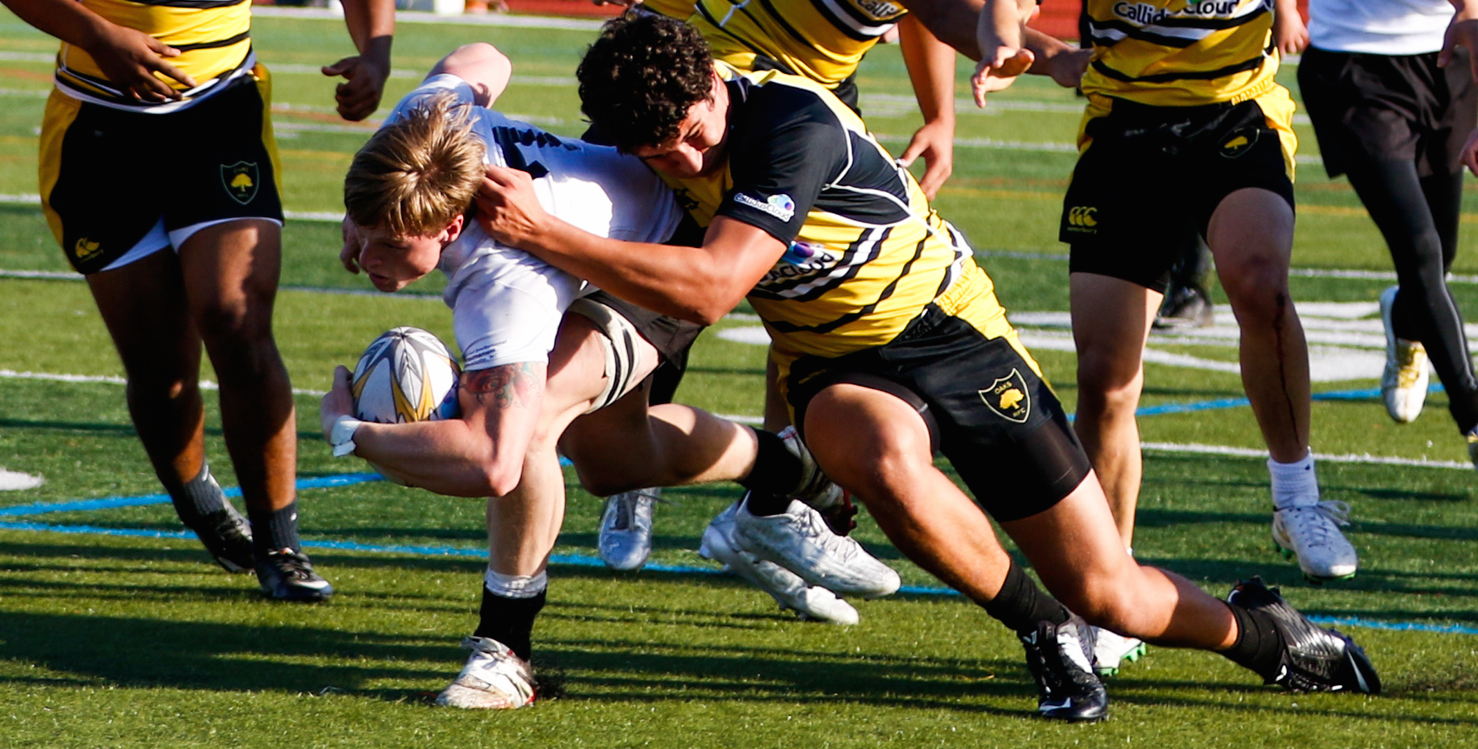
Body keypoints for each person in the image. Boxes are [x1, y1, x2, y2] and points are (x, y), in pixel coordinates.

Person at [474, 13, 1382, 721]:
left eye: (691, 132)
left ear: (716, 81)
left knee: (1113, 590)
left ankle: (1266, 634)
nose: (684, 158)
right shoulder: (655, 135)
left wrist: (541, 230)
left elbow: (712, 287)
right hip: (835, 362)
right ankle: (1041, 633)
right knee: (869, 453)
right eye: (656, 151)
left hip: (949, 333)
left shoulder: (789, 122)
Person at [321, 43, 901, 708]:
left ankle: (504, 653)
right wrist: (367, 220)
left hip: (662, 253)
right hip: (600, 226)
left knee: (531, 426)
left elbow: (492, 463)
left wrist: (350, 431)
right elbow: (483, 55)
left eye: (389, 244)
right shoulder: (422, 126)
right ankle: (785, 466)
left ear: (452, 224)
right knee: (612, 461)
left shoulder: (504, 283)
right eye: (360, 231)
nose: (365, 254)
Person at [590, 0, 1094, 576]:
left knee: (809, 285)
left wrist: (946, 110)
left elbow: (936, 9)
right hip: (697, 101)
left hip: (801, 93)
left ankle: (778, 501)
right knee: (663, 290)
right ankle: (638, 456)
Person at [5, 0, 395, 600]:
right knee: (159, 364)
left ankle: (280, 545)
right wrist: (98, 35)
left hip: (220, 111)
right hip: (96, 123)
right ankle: (204, 508)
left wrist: (375, 50)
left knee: (235, 322)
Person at [971, 0, 1363, 586]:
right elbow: (1002, 7)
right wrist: (1005, 40)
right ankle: (1109, 577)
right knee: (1106, 380)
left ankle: (1297, 498)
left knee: (1260, 284)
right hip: (1126, 129)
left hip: (1236, 114)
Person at [1301, 0, 1478, 466]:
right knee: (1419, 247)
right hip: (1353, 65)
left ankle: (1403, 319)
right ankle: (1473, 416)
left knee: (1440, 255)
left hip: (1449, 55)